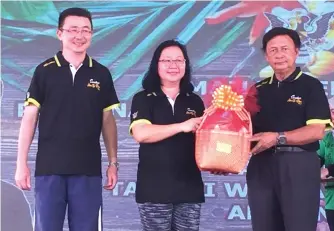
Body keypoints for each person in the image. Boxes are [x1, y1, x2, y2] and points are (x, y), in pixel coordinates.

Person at [15, 7, 120, 231]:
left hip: (88, 171)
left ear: (92, 35)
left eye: (85, 30)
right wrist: (20, 163)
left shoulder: (101, 73)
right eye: (73, 29)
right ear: (59, 33)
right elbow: (30, 118)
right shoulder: (44, 71)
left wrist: (113, 162)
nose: (79, 36)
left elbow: (108, 120)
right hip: (49, 170)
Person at [247, 27, 331, 231]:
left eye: (285, 48)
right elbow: (244, 131)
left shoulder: (311, 86)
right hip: (261, 166)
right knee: (264, 226)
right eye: (273, 50)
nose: (279, 54)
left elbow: (316, 131)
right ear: (266, 55)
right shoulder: (256, 90)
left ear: (296, 52)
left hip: (299, 165)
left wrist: (277, 138)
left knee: (298, 226)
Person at [129, 39, 205, 231]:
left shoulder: (195, 101)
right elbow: (141, 133)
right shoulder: (143, 98)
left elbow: (205, 143)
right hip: (154, 190)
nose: (174, 65)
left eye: (179, 60)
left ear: (186, 65)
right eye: (167, 60)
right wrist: (182, 126)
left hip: (189, 188)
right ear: (156, 65)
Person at [318, 93, 334, 231]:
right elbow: (317, 159)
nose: (330, 117)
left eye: (333, 112)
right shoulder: (327, 137)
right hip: (332, 202)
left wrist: (329, 171)